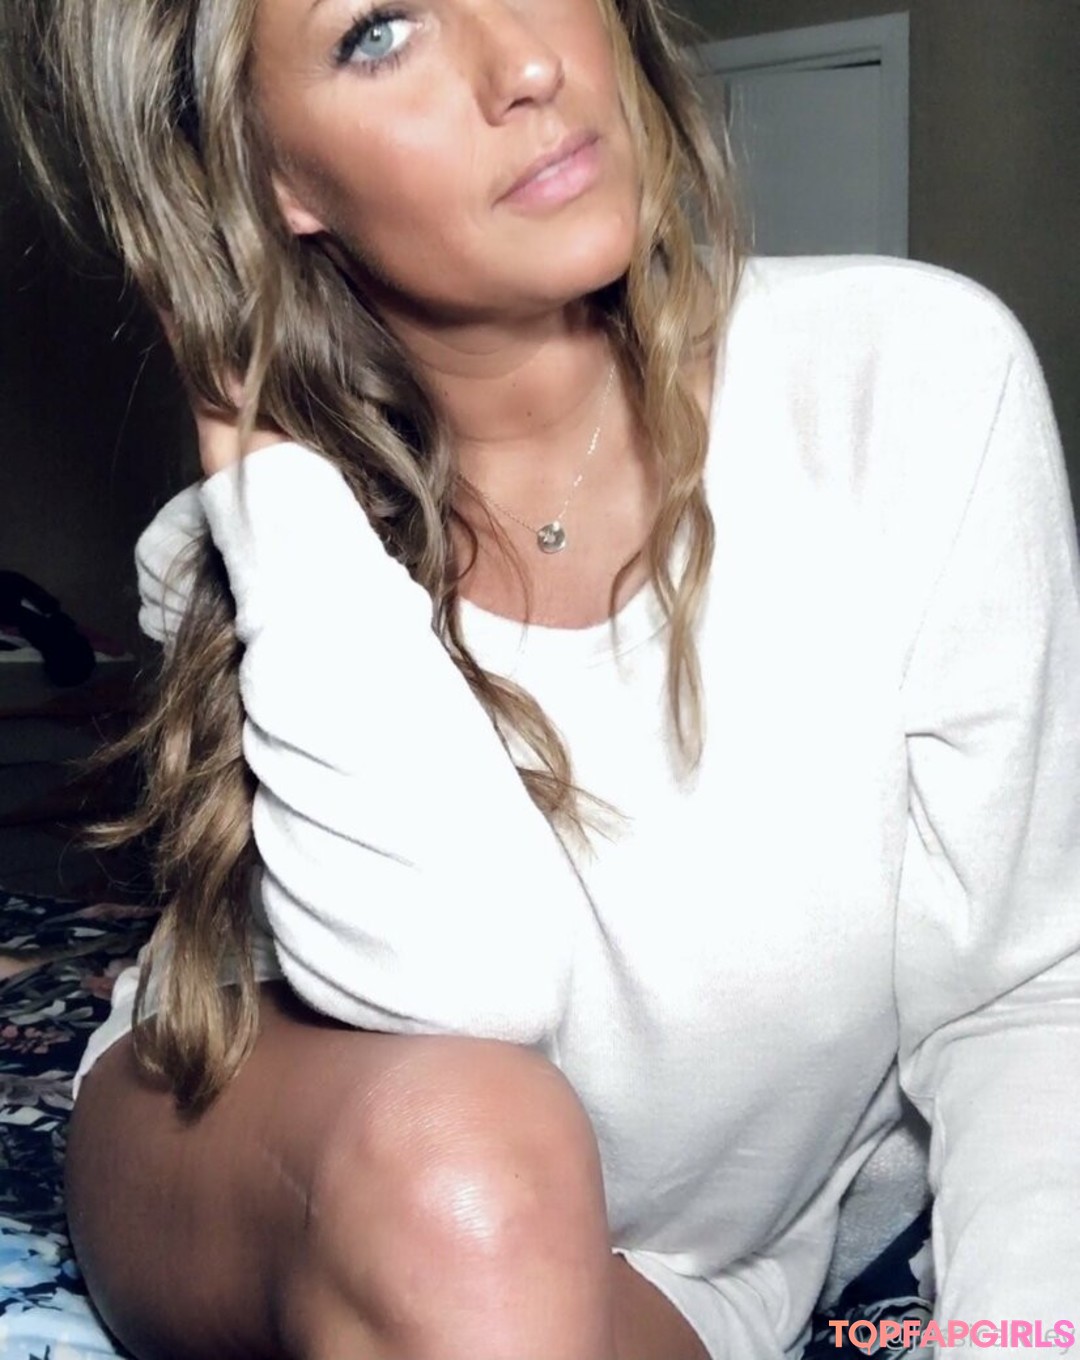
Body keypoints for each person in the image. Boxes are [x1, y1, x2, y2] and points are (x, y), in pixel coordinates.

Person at [5, 0, 1080, 1355]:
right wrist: (261, 463)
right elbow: (462, 988)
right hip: (248, 1123)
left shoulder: (912, 382)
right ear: (272, 181)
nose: (526, 63)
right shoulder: (262, 551)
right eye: (379, 31)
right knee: (468, 1172)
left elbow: (1026, 992)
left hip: (703, 1252)